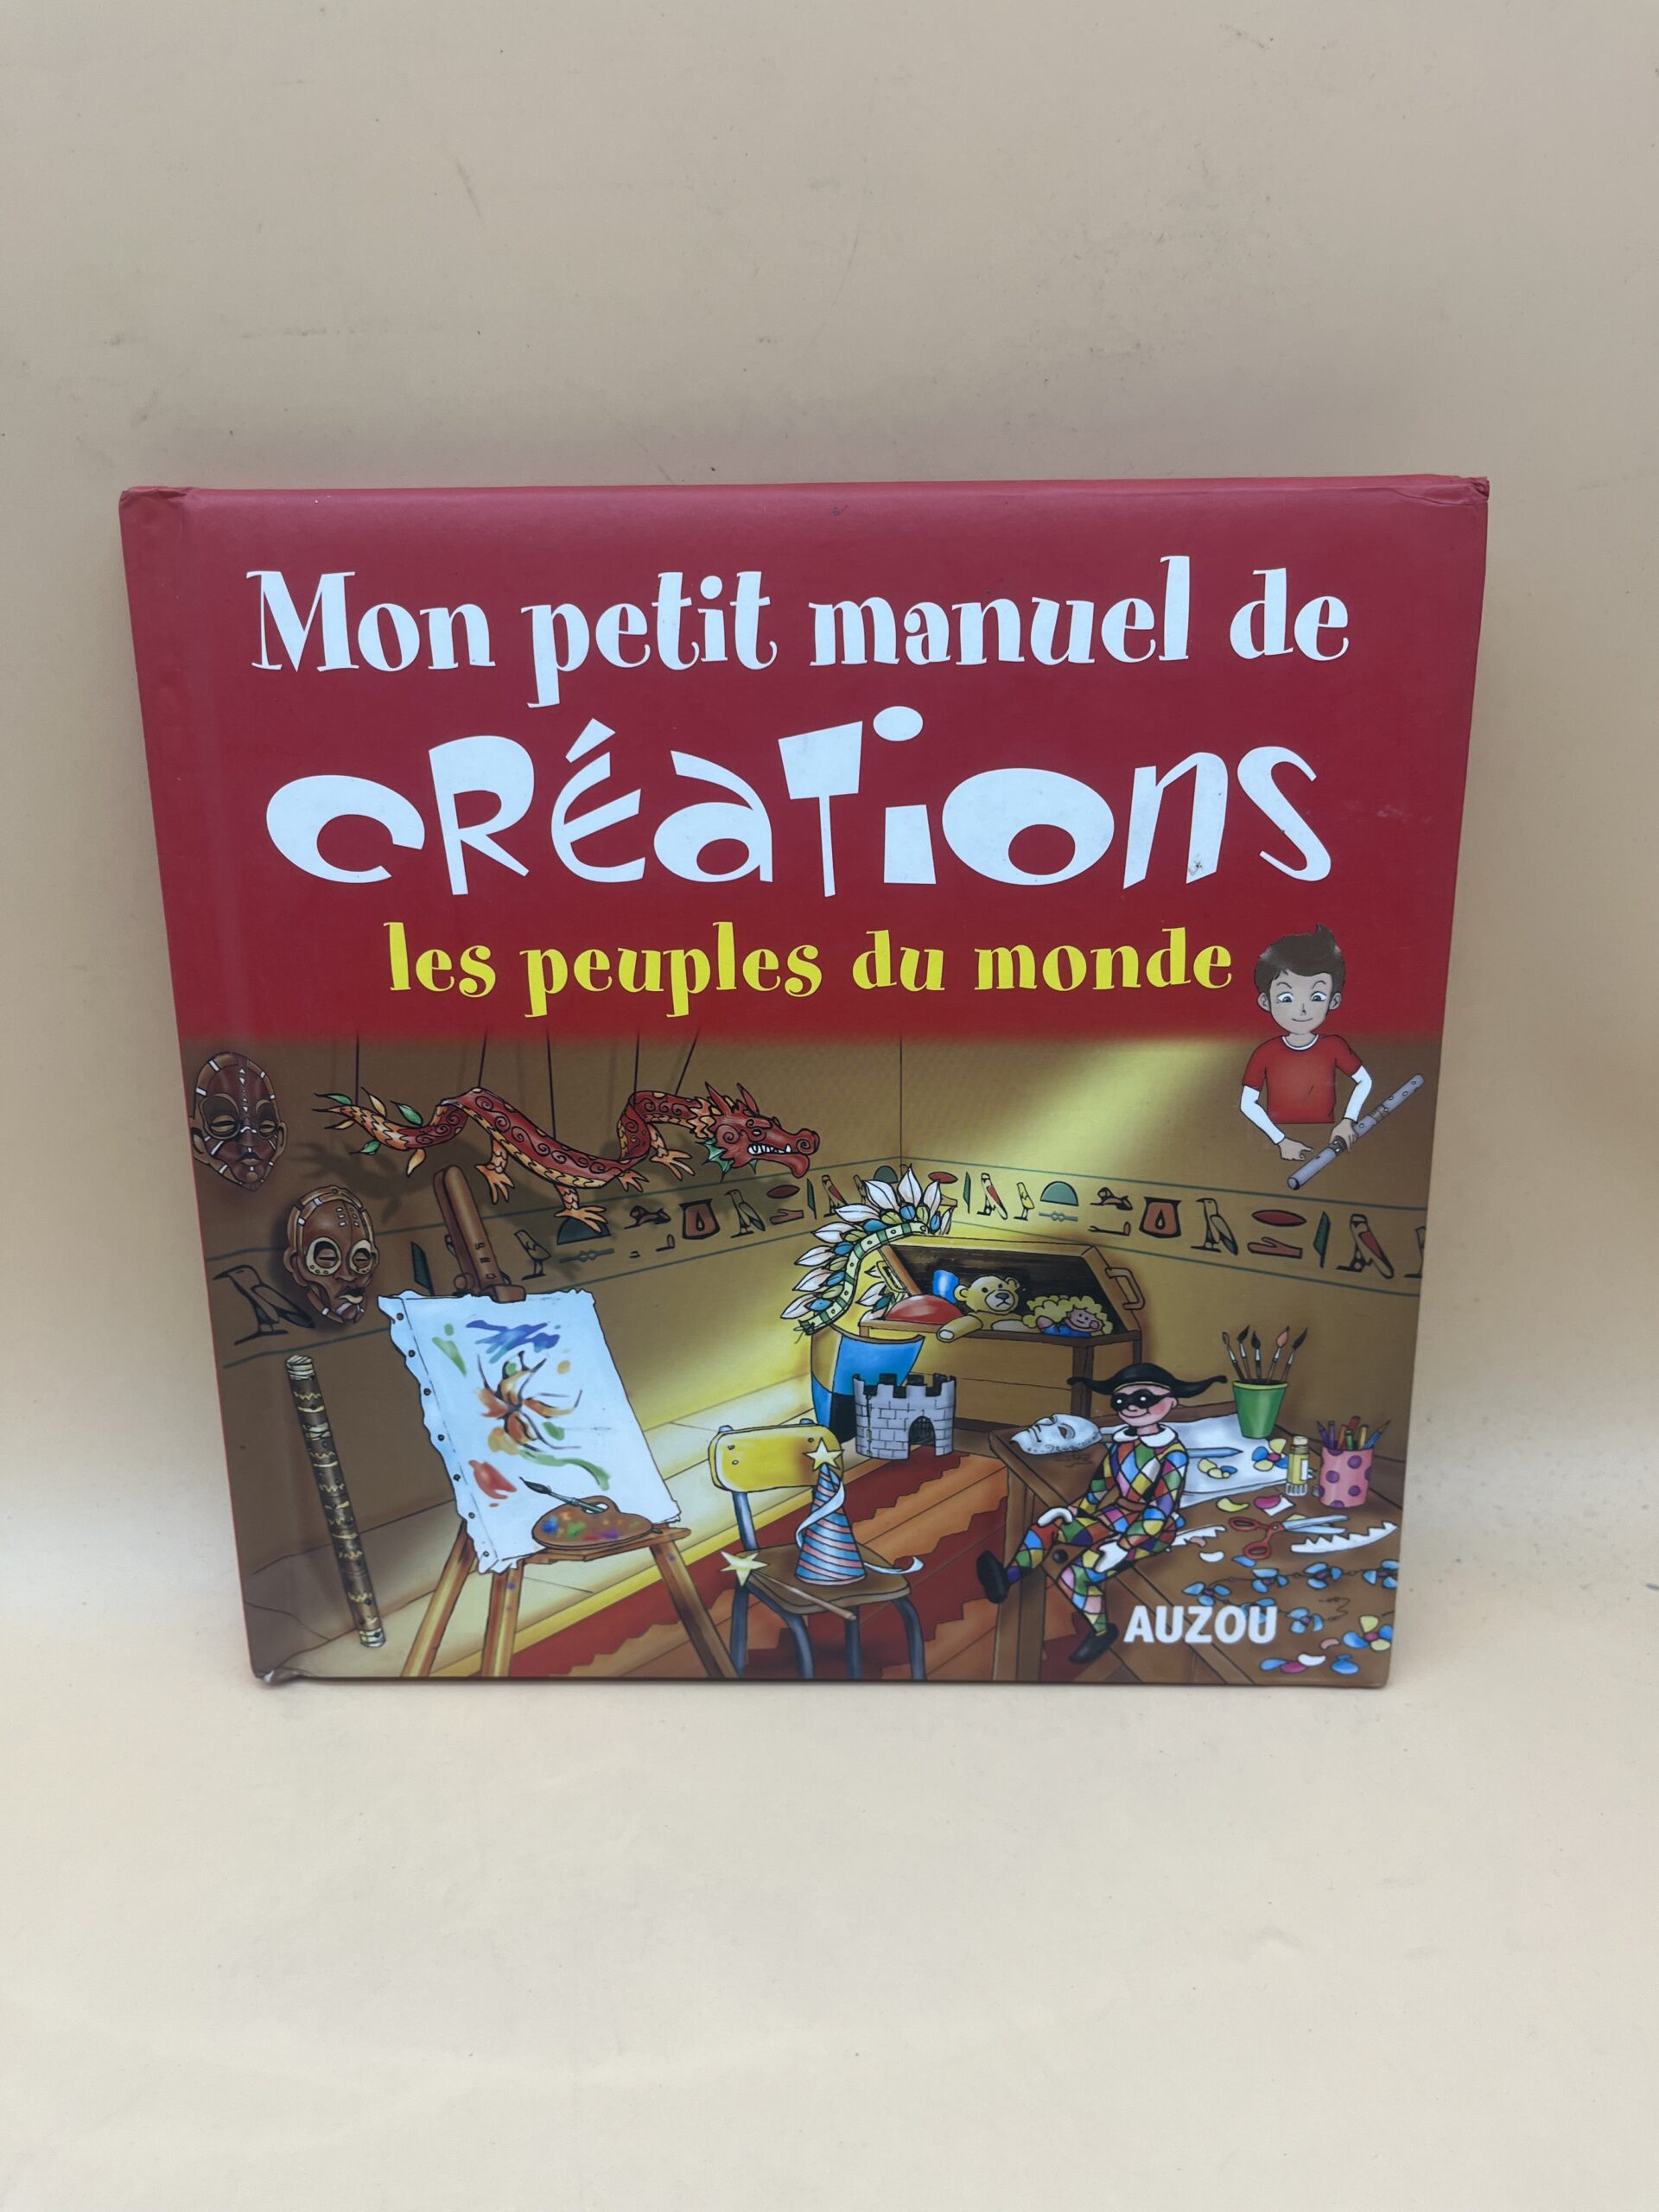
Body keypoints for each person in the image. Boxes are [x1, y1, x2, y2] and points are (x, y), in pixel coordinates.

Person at [976, 1363, 1222, 1667]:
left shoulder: (1173, 1454)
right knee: (1047, 1527)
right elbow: (1099, 1489)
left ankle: (1101, 1630)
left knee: (1076, 1575)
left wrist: (1122, 1546)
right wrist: (1070, 1511)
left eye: (1143, 1399)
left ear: (1171, 1402)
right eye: (1121, 1400)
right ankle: (1006, 1579)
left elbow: (1161, 1510)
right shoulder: (1122, 1444)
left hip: (1151, 1531)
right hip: (1114, 1516)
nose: (1131, 1407)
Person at [1239, 923, 1372, 1165]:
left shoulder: (1334, 1046)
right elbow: (1247, 1104)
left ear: (1334, 1000)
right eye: (1286, 998)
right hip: (1277, 1140)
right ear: (1265, 1001)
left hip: (1330, 1137)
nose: (1302, 1009)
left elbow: (1365, 1081)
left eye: (1316, 997)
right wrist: (1281, 1140)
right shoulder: (1266, 1052)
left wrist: (1348, 1121)